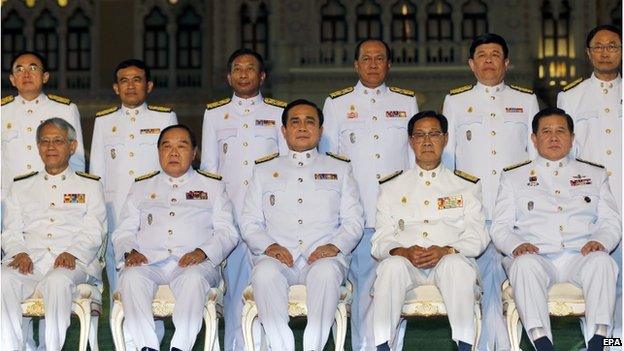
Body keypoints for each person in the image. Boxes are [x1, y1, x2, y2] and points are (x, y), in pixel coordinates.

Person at [491, 107, 621, 351]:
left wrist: (601, 241)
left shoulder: (595, 174)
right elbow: (500, 227)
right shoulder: (513, 177)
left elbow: (611, 221)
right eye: (546, 131)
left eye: (561, 131)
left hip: (580, 256)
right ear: (534, 138)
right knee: (524, 264)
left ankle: (598, 342)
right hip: (536, 256)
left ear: (572, 138)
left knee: (602, 261)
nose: (553, 137)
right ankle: (542, 343)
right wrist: (517, 245)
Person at [441, 33, 540, 351]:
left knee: (516, 287)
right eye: (481, 55)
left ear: (506, 62)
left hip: (515, 211)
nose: (488, 60)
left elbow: (535, 159)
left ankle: (513, 345)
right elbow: (449, 160)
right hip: (476, 210)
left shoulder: (525, 100)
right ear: (471, 64)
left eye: (495, 54)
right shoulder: (455, 101)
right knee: (478, 285)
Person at [241, 99, 364, 351]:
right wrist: (270, 246)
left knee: (326, 273)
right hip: (277, 256)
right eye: (294, 121)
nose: (302, 127)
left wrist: (333, 246)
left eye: (310, 121)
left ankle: (314, 347)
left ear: (320, 130)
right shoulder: (264, 170)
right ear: (283, 130)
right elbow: (250, 222)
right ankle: (281, 346)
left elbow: (353, 222)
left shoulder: (339, 168)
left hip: (324, 256)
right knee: (264, 274)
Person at [320, 38, 418, 351]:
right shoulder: (336, 104)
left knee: (393, 286)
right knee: (362, 287)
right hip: (356, 213)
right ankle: (364, 346)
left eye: (380, 58)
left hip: (397, 214)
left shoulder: (406, 102)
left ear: (389, 64)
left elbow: (414, 161)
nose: (373, 64)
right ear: (356, 64)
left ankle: (390, 346)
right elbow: (329, 164)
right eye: (366, 58)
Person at [113, 124, 238, 351]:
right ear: (158, 151)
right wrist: (130, 251)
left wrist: (203, 252)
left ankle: (181, 347)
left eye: (182, 146)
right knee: (130, 277)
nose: (173, 152)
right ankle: (147, 346)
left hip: (195, 263)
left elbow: (227, 231)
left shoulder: (212, 185)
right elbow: (124, 230)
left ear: (194, 152)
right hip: (150, 262)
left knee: (192, 279)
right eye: (166, 146)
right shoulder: (142, 186)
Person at [372, 111, 488, 351]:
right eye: (419, 135)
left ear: (445, 139)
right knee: (391, 266)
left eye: (434, 134)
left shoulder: (466, 186)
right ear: (411, 141)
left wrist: (448, 250)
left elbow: (478, 237)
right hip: (407, 264)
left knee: (456, 265)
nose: (427, 141)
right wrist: (402, 252)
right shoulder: (391, 187)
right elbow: (380, 240)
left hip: (447, 260)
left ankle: (465, 345)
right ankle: (382, 346)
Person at [200, 48, 288, 351]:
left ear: (261, 76)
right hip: (233, 217)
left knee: (269, 288)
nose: (243, 73)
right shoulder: (214, 114)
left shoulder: (279, 113)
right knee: (236, 291)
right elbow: (209, 171)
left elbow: (286, 169)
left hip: (271, 219)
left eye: (250, 68)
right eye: (237, 68)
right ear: (228, 76)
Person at [1, 118, 106, 351]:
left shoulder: (89, 186)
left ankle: (51, 348)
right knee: (3, 279)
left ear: (72, 146)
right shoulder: (21, 186)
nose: (50, 147)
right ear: (37, 147)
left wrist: (73, 252)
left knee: (57, 280)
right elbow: (10, 229)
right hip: (31, 260)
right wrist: (19, 253)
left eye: (58, 141)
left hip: (73, 262)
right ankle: (11, 347)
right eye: (45, 141)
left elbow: (94, 228)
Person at [557, 25, 622, 338]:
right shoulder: (571, 96)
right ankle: (605, 341)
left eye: (613, 45)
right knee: (600, 279)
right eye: (599, 46)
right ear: (588, 53)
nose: (606, 52)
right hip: (592, 207)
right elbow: (566, 159)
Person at [2, 51, 85, 200]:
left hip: (53, 197)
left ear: (45, 77)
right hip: (8, 199)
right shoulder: (3, 111)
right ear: (12, 79)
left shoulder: (65, 109)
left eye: (33, 68)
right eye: (19, 70)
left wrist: (72, 202)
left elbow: (76, 160)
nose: (26, 74)